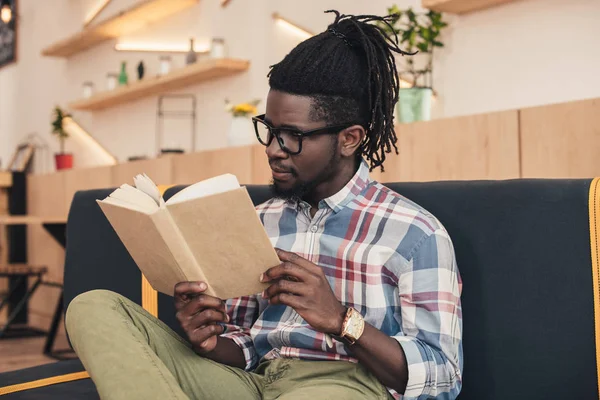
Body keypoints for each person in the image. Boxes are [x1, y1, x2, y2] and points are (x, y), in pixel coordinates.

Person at [66, 10, 463, 400]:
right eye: (270, 131)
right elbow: (245, 345)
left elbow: (443, 374)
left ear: (350, 138)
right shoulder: (260, 220)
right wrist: (207, 340)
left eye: (292, 136)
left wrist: (342, 320)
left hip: (346, 385)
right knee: (94, 307)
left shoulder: (414, 233)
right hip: (256, 382)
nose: (273, 150)